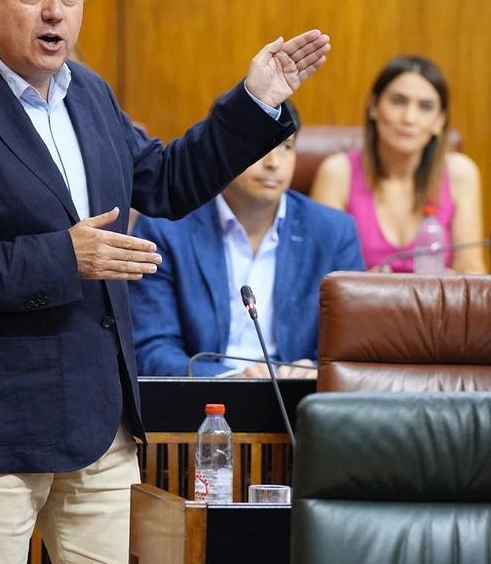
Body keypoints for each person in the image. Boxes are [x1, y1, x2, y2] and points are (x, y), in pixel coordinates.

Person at [0, 0, 329, 564]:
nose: (54, 12)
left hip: (97, 427)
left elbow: (169, 181)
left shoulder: (88, 95)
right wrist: (64, 256)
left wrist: (255, 101)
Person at [130, 106, 364, 378]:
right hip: (202, 402)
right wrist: (232, 380)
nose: (274, 162)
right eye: (260, 147)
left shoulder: (334, 232)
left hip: (300, 402)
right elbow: (150, 350)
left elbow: (350, 349)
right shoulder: (166, 229)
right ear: (223, 151)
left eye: (286, 147)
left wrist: (314, 372)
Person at [308, 55, 484, 273]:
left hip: (438, 305)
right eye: (398, 101)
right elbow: (322, 271)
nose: (409, 118)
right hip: (360, 305)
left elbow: (471, 267)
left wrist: (452, 284)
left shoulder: (460, 173)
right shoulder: (338, 172)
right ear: (373, 106)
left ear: (439, 121)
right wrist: (364, 283)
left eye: (425, 107)